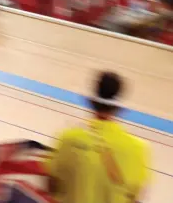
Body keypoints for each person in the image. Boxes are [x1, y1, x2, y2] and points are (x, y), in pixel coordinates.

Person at [46, 72, 150, 203]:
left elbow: (51, 186)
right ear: (118, 108)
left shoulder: (68, 138)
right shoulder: (138, 149)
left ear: (91, 102)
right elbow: (135, 197)